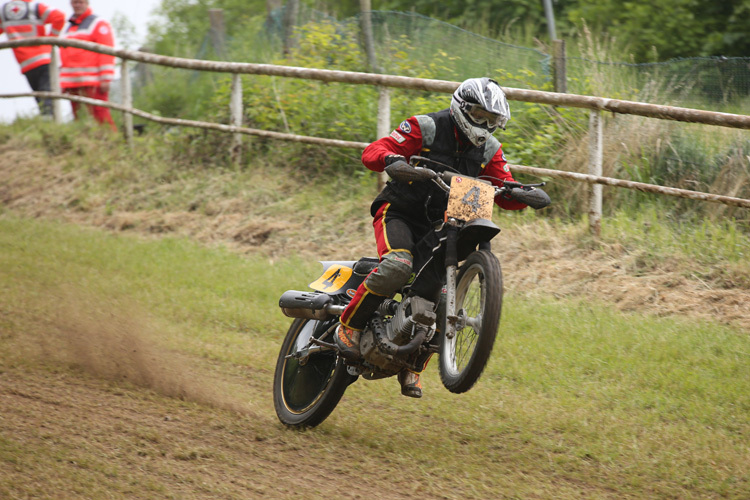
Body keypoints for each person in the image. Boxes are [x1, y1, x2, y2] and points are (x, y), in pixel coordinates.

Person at [335, 77, 530, 398]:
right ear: (463, 109)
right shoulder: (425, 127)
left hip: (441, 225)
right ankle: (349, 324)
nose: (484, 125)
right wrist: (393, 162)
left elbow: (504, 187)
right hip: (398, 211)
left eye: (492, 120)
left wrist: (524, 194)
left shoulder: (490, 149)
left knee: (442, 296)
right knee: (397, 266)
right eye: (480, 115)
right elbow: (375, 150)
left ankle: (412, 363)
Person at [0, 0, 65, 117]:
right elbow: (59, 17)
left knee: (39, 96)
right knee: (47, 95)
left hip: (25, 62)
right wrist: (51, 39)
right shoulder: (34, 7)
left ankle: (47, 124)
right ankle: (49, 125)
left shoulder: (4, 11)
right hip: (43, 57)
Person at [59, 0, 116, 130]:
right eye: (74, 2)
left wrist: (106, 78)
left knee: (101, 115)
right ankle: (86, 144)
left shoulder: (98, 23)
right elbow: (64, 55)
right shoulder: (68, 28)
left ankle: (112, 143)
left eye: (80, 2)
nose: (77, 5)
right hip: (72, 82)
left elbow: (107, 51)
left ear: (87, 3)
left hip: (93, 81)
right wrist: (63, 81)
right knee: (79, 118)